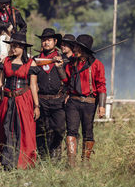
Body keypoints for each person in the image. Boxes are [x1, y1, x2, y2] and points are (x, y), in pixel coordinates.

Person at [0, 32, 40, 170]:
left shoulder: (31, 63)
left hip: (23, 100)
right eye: (12, 46)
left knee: (21, 130)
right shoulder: (6, 61)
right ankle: (7, 162)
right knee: (6, 129)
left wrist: (36, 106)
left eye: (17, 46)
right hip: (7, 99)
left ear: (23, 47)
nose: (14, 48)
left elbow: (33, 86)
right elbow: (0, 82)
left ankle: (22, 161)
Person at [56, 34, 106, 167]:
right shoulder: (71, 64)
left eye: (77, 47)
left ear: (83, 49)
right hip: (73, 101)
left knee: (88, 133)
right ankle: (71, 163)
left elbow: (101, 86)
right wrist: (60, 67)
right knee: (71, 131)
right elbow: (66, 81)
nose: (75, 49)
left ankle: (85, 163)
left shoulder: (97, 65)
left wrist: (102, 106)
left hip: (89, 103)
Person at [31, 28, 66, 161]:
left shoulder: (63, 58)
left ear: (55, 41)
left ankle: (56, 152)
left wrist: (60, 65)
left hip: (58, 100)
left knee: (59, 129)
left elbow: (67, 79)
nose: (46, 43)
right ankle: (43, 157)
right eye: (44, 40)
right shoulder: (36, 60)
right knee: (41, 130)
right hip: (41, 99)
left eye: (49, 40)